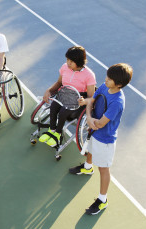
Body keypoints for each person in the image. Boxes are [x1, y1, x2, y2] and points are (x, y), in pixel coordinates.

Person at [69, 63, 133, 215]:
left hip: (105, 140)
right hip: (94, 133)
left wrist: (89, 117)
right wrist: (86, 103)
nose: (106, 80)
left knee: (104, 169)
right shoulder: (105, 87)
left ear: (119, 84)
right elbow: (93, 100)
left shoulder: (117, 102)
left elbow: (100, 123)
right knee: (90, 151)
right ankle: (87, 167)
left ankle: (102, 200)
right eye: (107, 76)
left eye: (110, 79)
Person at [39, 46, 96, 147]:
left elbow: (91, 97)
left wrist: (83, 100)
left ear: (79, 61)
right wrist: (49, 90)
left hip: (78, 100)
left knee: (63, 112)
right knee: (53, 107)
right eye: (67, 60)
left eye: (71, 61)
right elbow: (59, 83)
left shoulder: (89, 75)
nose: (68, 63)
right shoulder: (65, 67)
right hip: (64, 94)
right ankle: (51, 130)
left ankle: (57, 134)